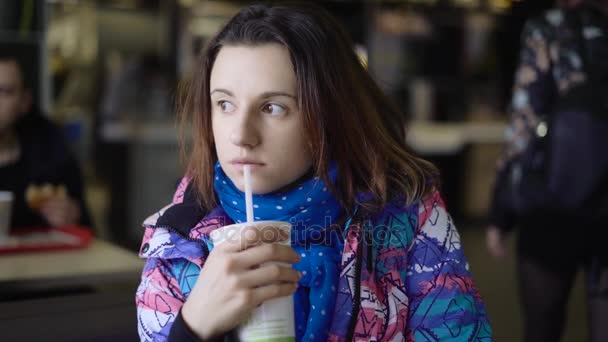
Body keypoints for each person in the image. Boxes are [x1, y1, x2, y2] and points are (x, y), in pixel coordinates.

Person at [136, 3, 492, 341]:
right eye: (225, 104)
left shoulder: (409, 217)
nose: (240, 136)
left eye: (273, 107)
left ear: (329, 113)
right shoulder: (179, 240)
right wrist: (194, 325)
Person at [486, 1, 608, 341]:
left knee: (542, 328)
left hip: (550, 203)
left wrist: (500, 213)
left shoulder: (547, 29)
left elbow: (523, 125)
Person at [0, 51, 91, 230]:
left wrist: (72, 214)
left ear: (25, 102)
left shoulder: (51, 153)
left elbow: (86, 223)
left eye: (4, 91)